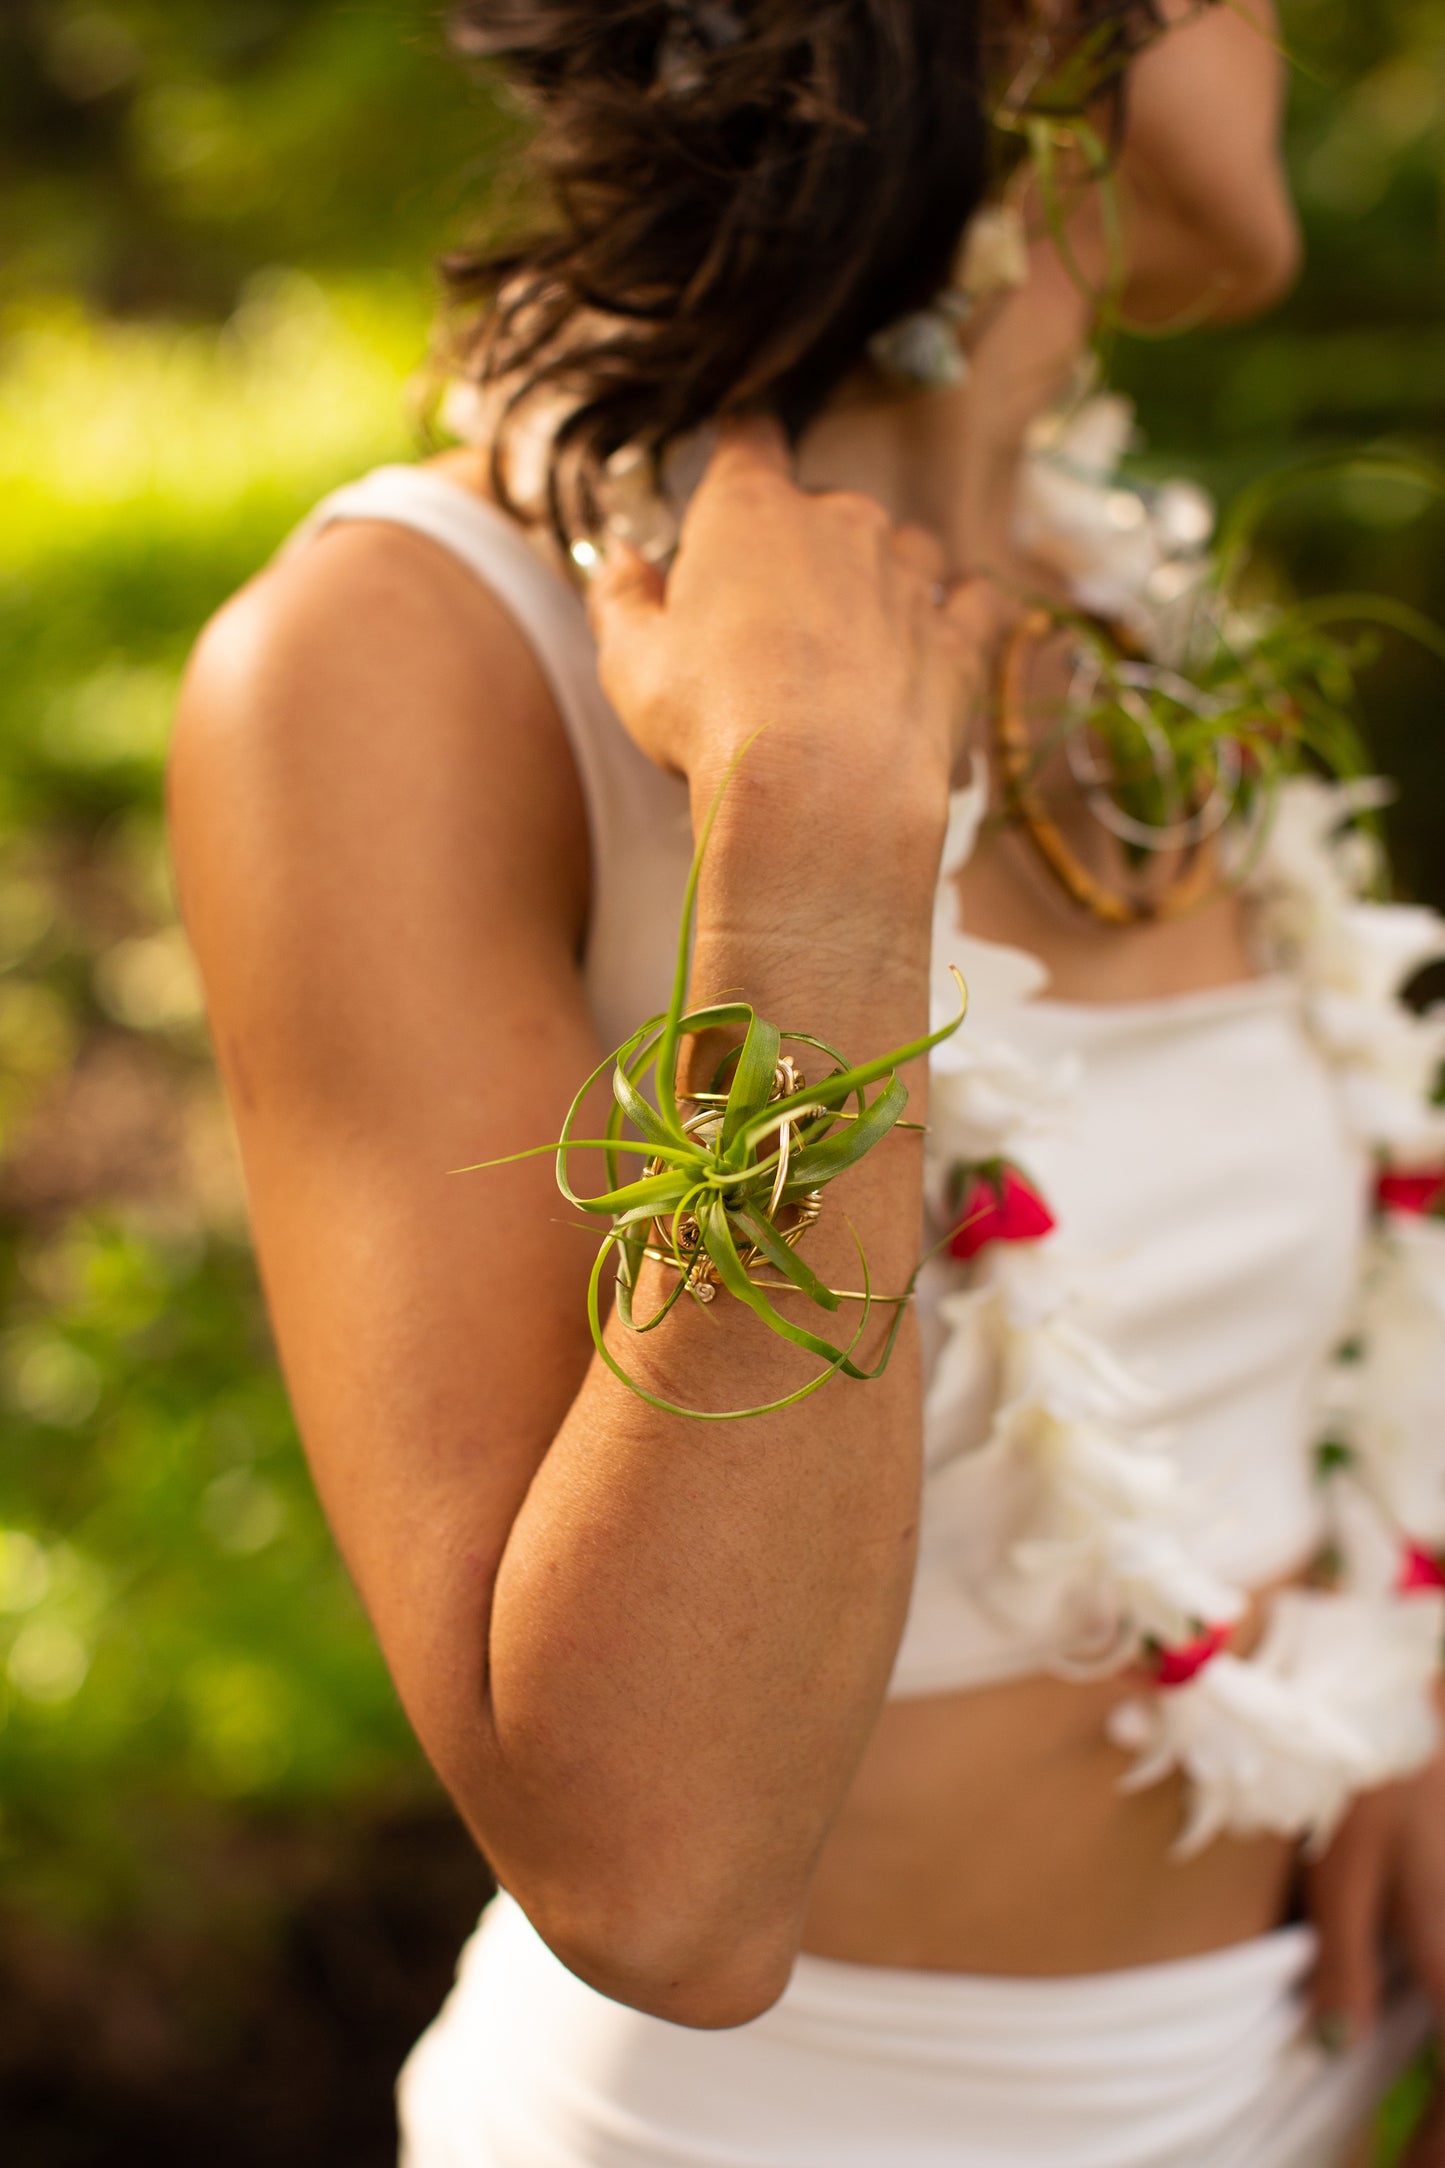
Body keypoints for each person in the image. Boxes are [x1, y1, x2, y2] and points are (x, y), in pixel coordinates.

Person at [167, 2, 1445, 2162]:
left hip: (1290, 2084)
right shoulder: (407, 655)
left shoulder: (1129, 598)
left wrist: (1405, 1680)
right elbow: (660, 1880)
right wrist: (823, 853)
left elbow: (1284, 1336)